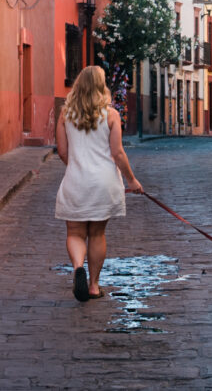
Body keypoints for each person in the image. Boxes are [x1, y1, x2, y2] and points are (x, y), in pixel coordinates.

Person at [55, 65, 144, 302]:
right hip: (104, 183)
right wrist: (132, 180)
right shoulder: (111, 115)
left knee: (74, 232)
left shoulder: (65, 114)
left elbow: (62, 152)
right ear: (101, 86)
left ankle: (77, 268)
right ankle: (94, 285)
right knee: (96, 234)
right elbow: (118, 153)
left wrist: (77, 167)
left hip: (75, 180)